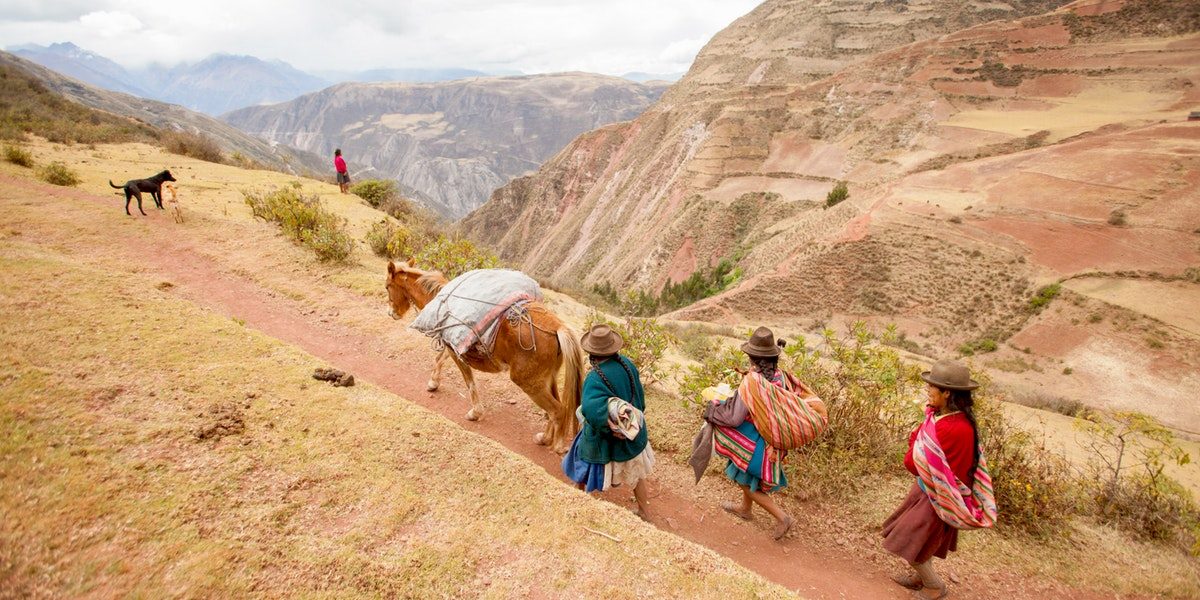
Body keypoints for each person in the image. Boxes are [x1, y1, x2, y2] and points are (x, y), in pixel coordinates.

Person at [881, 359, 992, 600]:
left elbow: (912, 462)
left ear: (947, 392)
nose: (928, 390)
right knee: (922, 538)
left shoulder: (950, 428)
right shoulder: (956, 421)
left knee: (910, 541)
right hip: (931, 493)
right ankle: (921, 578)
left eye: (932, 387)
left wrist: (915, 440)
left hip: (935, 498)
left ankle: (934, 586)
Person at [714, 326, 825, 540]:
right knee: (747, 476)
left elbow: (735, 417)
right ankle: (745, 510)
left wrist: (714, 409)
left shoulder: (752, 382)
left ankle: (783, 517)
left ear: (752, 357)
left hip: (758, 442)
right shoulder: (780, 377)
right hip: (774, 440)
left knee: (744, 480)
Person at [561, 324, 655, 520]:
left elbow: (590, 411)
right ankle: (644, 512)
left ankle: (578, 496)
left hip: (609, 437)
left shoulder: (594, 378)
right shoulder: (628, 364)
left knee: (581, 454)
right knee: (636, 473)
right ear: (614, 348)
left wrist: (607, 428)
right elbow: (640, 399)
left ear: (591, 353)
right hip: (633, 430)